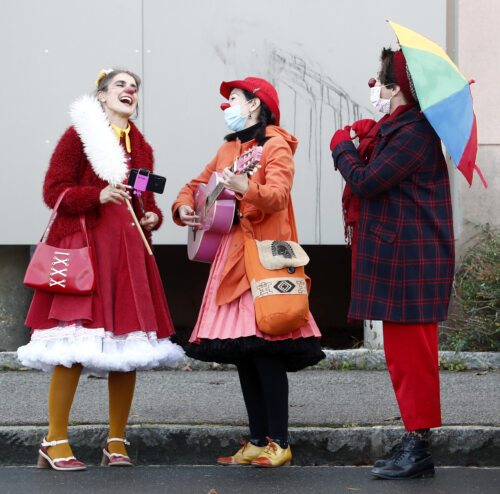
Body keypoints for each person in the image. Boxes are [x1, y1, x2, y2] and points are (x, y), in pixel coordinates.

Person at [18, 68, 183, 471]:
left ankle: (116, 442)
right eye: (121, 85)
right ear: (103, 96)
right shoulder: (79, 135)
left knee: (128, 349)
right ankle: (54, 439)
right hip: (86, 249)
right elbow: (53, 190)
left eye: (135, 87)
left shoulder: (140, 146)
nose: (130, 90)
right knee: (74, 347)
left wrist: (154, 218)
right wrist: (97, 194)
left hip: (127, 255)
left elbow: (145, 199)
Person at [172, 77, 324, 468]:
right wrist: (184, 206)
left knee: (267, 349)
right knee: (243, 353)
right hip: (230, 256)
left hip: (264, 259)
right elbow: (195, 184)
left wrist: (245, 187)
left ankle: (281, 442)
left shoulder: (276, 146)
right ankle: (257, 440)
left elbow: (278, 196)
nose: (227, 106)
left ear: (255, 104)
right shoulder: (228, 147)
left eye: (234, 99)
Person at [329, 49, 455, 480]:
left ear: (396, 87)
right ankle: (414, 438)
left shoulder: (413, 132)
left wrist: (342, 148)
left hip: (413, 263)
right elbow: (377, 161)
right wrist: (365, 136)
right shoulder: (398, 129)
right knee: (404, 360)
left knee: (413, 360)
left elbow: (367, 181)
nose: (374, 89)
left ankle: (419, 447)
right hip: (404, 259)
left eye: (379, 82)